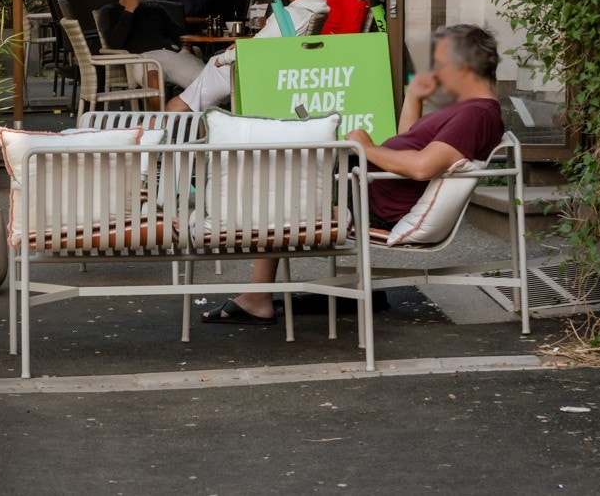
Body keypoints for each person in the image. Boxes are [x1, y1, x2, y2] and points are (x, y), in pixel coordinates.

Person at [201, 24, 504, 325]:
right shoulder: (469, 110)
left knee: (278, 177)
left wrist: (366, 148)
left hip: (369, 198)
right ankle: (254, 290)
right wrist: (413, 97)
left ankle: (253, 292)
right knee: (277, 167)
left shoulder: (475, 115)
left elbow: (421, 167)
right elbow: (408, 143)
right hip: (366, 184)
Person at [165, 0, 330, 113]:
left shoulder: (289, 15)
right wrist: (240, 46)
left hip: (251, 70)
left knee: (177, 104)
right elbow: (268, 43)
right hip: (270, 66)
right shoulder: (314, 10)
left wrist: (224, 58)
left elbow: (256, 47)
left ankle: (164, 125)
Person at [96, 0, 203, 91]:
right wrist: (129, 11)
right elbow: (114, 43)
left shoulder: (154, 8)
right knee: (154, 81)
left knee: (206, 83)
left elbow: (180, 34)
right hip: (138, 59)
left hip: (168, 54)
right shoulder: (110, 11)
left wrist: (185, 48)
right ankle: (161, 106)